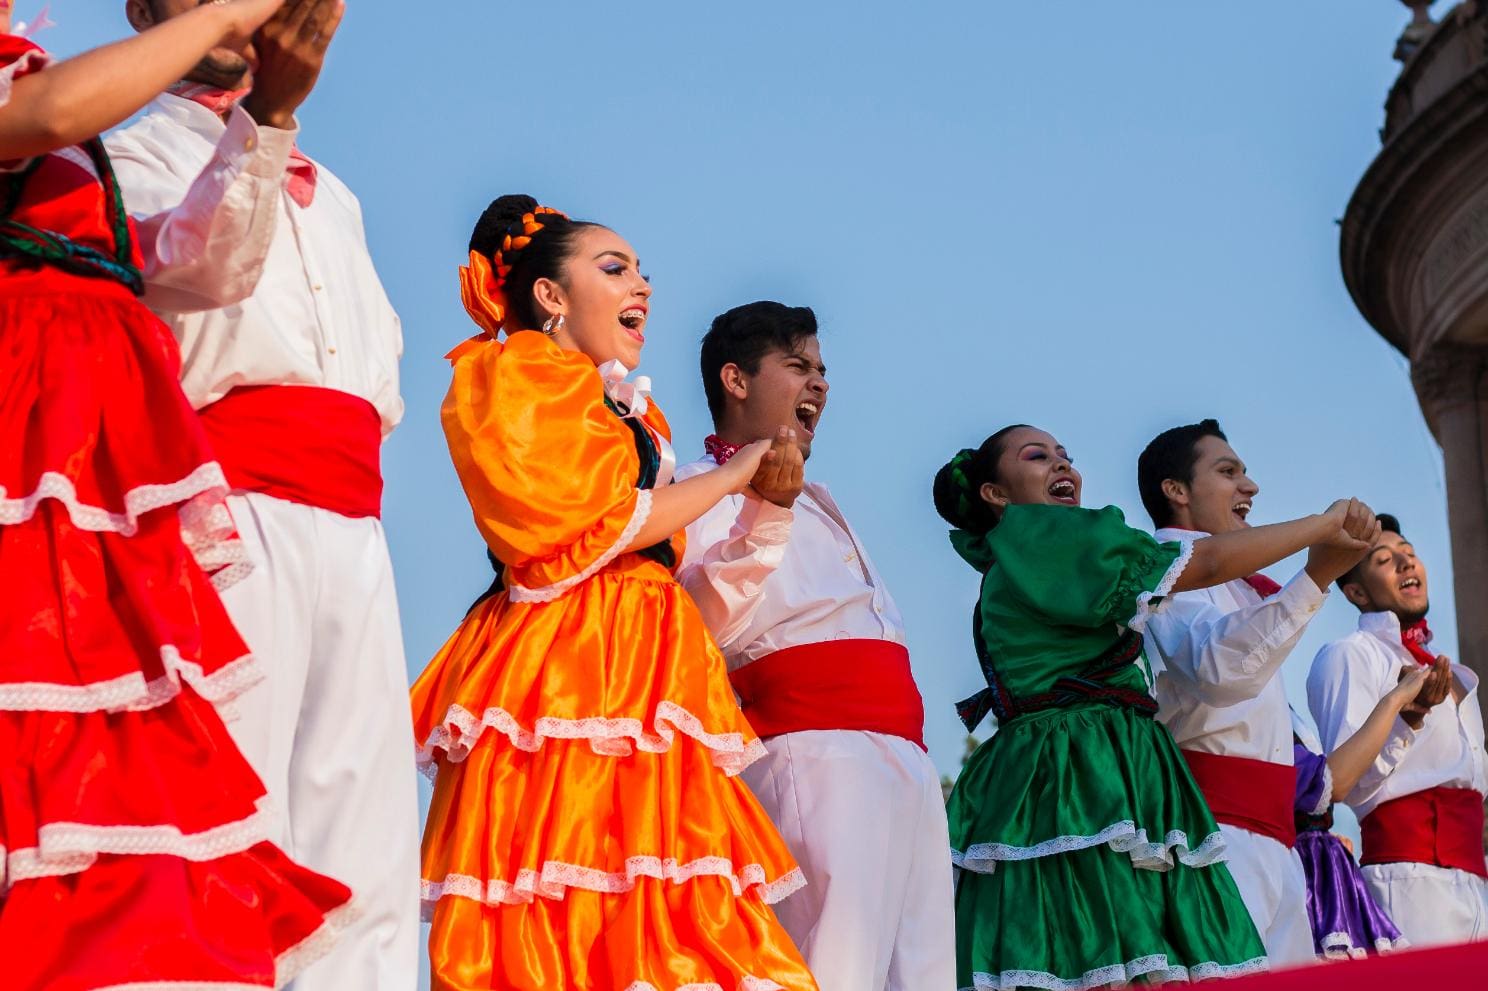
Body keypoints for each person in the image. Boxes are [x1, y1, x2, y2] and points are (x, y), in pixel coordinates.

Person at [0, 3, 355, 987]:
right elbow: (46, 112)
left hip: (90, 485)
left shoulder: (77, 139)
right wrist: (231, 15)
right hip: (25, 467)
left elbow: (199, 265)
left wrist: (269, 119)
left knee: (108, 791)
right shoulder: (61, 104)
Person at [411, 195, 819, 991]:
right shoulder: (515, 370)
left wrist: (761, 504)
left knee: (665, 905)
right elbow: (583, 523)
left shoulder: (624, 403)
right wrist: (739, 471)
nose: (643, 285)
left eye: (641, 271)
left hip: (645, 660)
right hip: (566, 659)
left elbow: (660, 555)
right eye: (615, 267)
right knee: (568, 900)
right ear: (551, 297)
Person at [105, 3, 420, 985]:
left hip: (354, 536)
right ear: (146, 12)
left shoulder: (340, 198)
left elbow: (380, 388)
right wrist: (267, 125)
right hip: (224, 520)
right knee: (229, 822)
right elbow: (195, 272)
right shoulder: (123, 154)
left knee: (364, 843)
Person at [934, 423, 1379, 990]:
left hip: (1104, 773)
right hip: (1084, 774)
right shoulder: (1047, 534)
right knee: (1110, 954)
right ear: (996, 495)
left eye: (1066, 455)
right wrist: (1322, 529)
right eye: (1038, 456)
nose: (1062, 465)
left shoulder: (1052, 555)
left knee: (1095, 958)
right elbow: (1211, 570)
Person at [676, 301, 955, 991]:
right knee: (830, 968)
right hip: (814, 752)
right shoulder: (691, 487)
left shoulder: (824, 497)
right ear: (734, 380)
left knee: (921, 974)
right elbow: (701, 622)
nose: (820, 383)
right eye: (797, 365)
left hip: (906, 758)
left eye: (823, 370)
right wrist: (764, 508)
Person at [1136, 419, 1370, 964]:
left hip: (1274, 842)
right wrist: (1313, 577)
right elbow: (1222, 673)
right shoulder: (1163, 572)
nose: (1251, 487)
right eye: (1228, 472)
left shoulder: (1238, 587)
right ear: (1176, 491)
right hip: (1210, 840)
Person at [1308, 514, 1487, 947]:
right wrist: (1408, 717)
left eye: (1409, 553)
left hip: (1475, 882)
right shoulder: (1348, 655)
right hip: (1408, 883)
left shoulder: (1451, 669)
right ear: (1356, 592)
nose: (1407, 564)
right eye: (1386, 560)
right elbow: (1344, 786)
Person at [1291, 691, 1421, 958]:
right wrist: (1394, 701)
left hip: (1328, 869)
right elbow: (1333, 784)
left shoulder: (1282, 709)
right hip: (1301, 871)